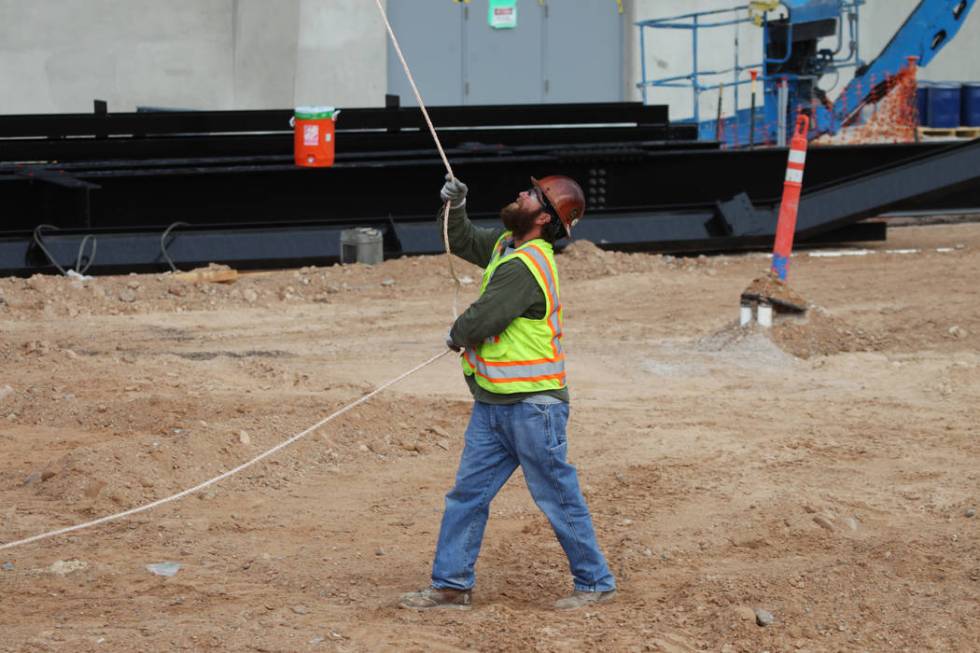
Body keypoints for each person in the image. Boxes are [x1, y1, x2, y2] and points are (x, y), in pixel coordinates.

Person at [399, 174, 616, 611]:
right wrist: (455, 205)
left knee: (557, 496)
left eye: (531, 194)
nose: (521, 193)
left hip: (534, 408)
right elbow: (460, 240)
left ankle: (595, 582)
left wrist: (457, 333)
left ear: (542, 216)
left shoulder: (527, 265)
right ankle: (451, 584)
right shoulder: (506, 247)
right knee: (467, 495)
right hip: (496, 404)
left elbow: (484, 319)